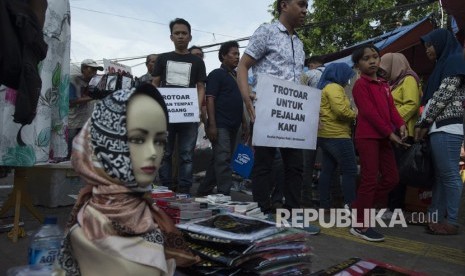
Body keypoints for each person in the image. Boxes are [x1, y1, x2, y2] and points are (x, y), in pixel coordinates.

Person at [57, 84, 199, 275]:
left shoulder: (147, 217)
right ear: (105, 142)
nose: (152, 154)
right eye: (138, 139)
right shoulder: (86, 232)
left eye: (159, 141)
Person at [237, 0, 320, 234]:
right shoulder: (267, 31)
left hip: (293, 117)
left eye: (307, 6)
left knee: (295, 166)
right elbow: (243, 66)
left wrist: (310, 113)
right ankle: (262, 212)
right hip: (266, 110)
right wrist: (247, 96)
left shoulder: (300, 44)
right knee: (264, 163)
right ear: (284, 5)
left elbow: (299, 83)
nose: (306, 10)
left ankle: (291, 214)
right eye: (301, 4)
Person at [350, 44, 408, 242]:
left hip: (384, 138)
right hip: (367, 137)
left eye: (375, 56)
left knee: (392, 178)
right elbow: (369, 113)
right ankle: (360, 225)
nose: (373, 61)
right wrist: (389, 133)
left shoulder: (384, 84)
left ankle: (359, 207)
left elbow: (392, 109)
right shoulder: (360, 85)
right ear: (358, 64)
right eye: (367, 58)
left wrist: (400, 124)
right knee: (369, 179)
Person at [415, 28, 465, 235]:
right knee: (442, 176)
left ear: (441, 43)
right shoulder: (443, 64)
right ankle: (435, 215)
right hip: (440, 126)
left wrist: (423, 122)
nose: (427, 50)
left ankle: (451, 221)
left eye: (430, 45)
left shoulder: (454, 61)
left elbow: (443, 96)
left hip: (447, 126)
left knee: (450, 175)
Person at [152, 18, 207, 194]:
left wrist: (196, 109)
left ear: (190, 37)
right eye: (177, 33)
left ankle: (184, 191)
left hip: (188, 114)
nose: (181, 36)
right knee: (165, 154)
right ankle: (165, 189)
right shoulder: (163, 58)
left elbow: (200, 87)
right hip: (165, 115)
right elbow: (155, 84)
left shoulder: (197, 62)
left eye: (184, 33)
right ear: (171, 37)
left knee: (186, 155)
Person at [197, 41, 248, 196]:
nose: (237, 57)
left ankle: (203, 190)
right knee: (223, 159)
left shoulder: (237, 77)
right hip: (221, 125)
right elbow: (210, 99)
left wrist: (245, 123)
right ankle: (224, 194)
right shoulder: (216, 74)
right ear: (223, 56)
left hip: (235, 125)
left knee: (220, 159)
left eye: (238, 54)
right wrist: (211, 124)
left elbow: (240, 102)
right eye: (233, 54)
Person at [379, 52, 421, 214]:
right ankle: (391, 206)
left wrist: (391, 119)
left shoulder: (409, 79)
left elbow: (412, 104)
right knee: (392, 170)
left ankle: (395, 207)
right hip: (394, 130)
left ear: (394, 65)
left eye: (385, 68)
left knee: (397, 171)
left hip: (403, 132)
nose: (383, 72)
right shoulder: (395, 82)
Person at [316, 62, 357, 211]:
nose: (348, 79)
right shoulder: (334, 87)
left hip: (325, 134)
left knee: (328, 170)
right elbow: (341, 111)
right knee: (350, 170)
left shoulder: (324, 87)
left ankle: (324, 204)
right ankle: (351, 206)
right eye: (347, 75)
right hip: (337, 134)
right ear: (339, 74)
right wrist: (355, 114)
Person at [68, 59, 103, 159]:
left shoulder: (93, 82)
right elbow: (71, 101)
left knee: (82, 149)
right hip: (72, 121)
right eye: (91, 69)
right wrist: (94, 96)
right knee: (71, 148)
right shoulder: (72, 80)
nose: (94, 73)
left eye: (95, 70)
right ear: (83, 69)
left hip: (84, 120)